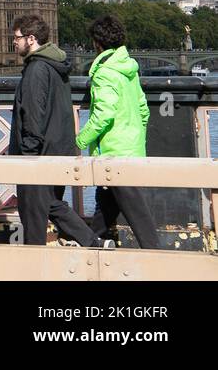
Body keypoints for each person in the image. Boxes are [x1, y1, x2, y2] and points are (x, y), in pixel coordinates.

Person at [10, 14, 98, 247]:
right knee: (50, 204)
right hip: (58, 149)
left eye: (16, 38)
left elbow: (32, 115)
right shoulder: (56, 66)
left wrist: (28, 156)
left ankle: (35, 264)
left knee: (33, 213)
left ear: (31, 39)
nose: (14, 42)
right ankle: (92, 241)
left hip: (39, 154)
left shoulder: (36, 69)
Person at [76, 14, 161, 249]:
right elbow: (143, 110)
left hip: (114, 152)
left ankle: (161, 260)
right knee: (106, 205)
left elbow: (103, 115)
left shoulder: (104, 73)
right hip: (131, 146)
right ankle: (92, 247)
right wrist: (135, 136)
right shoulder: (129, 69)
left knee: (137, 214)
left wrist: (80, 140)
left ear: (97, 43)